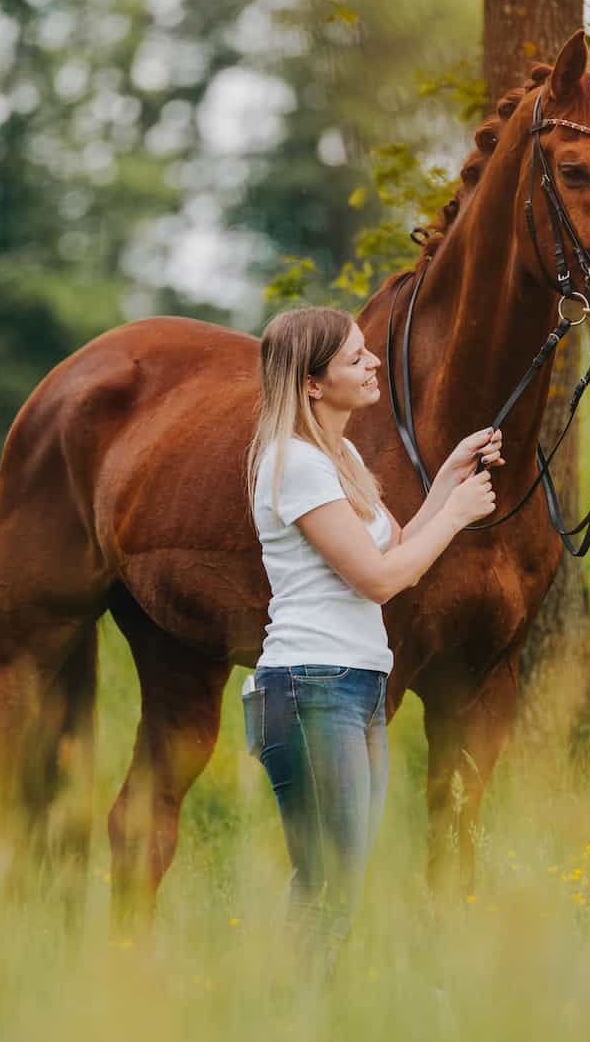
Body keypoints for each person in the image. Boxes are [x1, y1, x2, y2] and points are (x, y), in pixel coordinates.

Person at [244, 305, 503, 973]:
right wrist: (459, 516)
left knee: (336, 883)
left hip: (353, 686)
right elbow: (381, 579)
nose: (373, 363)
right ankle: (284, 1012)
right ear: (311, 383)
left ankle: (284, 1009)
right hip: (308, 689)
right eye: (355, 358)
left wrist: (449, 474)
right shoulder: (293, 462)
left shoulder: (342, 456)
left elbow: (399, 542)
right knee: (330, 886)